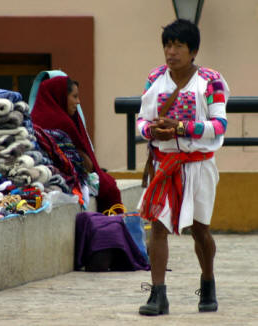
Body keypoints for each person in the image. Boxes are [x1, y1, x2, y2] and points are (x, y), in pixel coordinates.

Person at [136, 19, 229, 316]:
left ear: (193, 51)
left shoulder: (211, 81)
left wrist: (181, 128)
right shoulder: (155, 78)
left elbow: (219, 125)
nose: (171, 52)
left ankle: (208, 282)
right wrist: (154, 132)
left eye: (178, 46)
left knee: (200, 230)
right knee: (158, 227)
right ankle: (158, 294)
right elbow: (141, 120)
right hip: (165, 165)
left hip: (199, 165)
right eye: (167, 45)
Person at [31, 75, 123, 213]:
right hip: (62, 178)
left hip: (39, 176)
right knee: (109, 187)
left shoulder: (34, 118)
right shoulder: (62, 122)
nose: (78, 102)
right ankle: (111, 229)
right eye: (74, 96)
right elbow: (85, 165)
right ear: (61, 97)